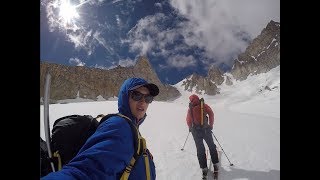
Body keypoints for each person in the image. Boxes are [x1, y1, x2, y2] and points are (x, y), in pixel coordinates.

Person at [41, 77, 159, 180]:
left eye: (148, 98)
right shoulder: (120, 126)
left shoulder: (130, 130)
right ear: (125, 97)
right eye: (137, 95)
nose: (143, 102)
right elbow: (87, 172)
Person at [186, 94, 219, 177]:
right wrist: (210, 125)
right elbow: (211, 114)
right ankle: (215, 163)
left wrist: (190, 128)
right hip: (205, 130)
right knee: (211, 146)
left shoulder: (190, 108)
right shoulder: (203, 105)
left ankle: (204, 168)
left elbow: (188, 119)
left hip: (196, 132)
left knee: (200, 149)